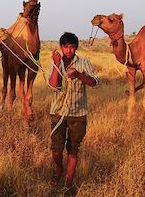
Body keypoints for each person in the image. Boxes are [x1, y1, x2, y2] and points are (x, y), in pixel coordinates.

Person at [48, 32, 99, 193]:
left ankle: (68, 183)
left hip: (78, 114)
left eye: (71, 47)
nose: (69, 50)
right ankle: (58, 169)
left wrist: (78, 74)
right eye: (66, 47)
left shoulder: (84, 62)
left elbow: (94, 83)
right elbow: (53, 85)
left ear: (76, 47)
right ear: (61, 47)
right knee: (56, 150)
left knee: (73, 149)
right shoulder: (55, 61)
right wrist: (56, 64)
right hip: (58, 111)